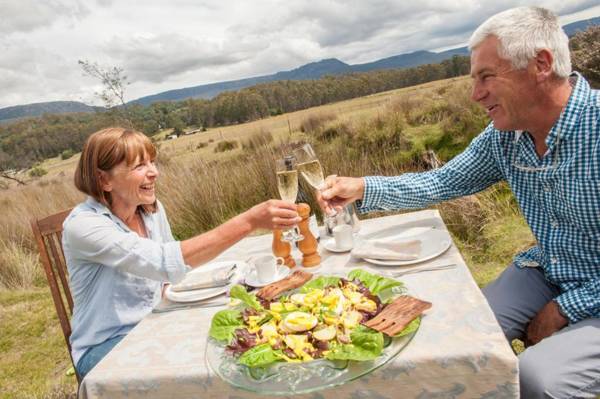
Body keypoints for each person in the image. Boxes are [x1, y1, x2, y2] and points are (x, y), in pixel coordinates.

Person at [318, 7, 599, 398]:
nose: (475, 94)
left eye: (486, 77)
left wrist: (565, 308)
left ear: (541, 64)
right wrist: (363, 187)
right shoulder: (506, 136)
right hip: (550, 267)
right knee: (462, 341)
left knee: (539, 378)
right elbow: (442, 180)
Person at [63, 127, 300, 378]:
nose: (154, 172)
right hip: (107, 346)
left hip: (156, 323)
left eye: (152, 162)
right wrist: (249, 221)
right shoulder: (83, 226)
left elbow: (168, 278)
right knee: (204, 369)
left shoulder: (151, 210)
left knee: (243, 344)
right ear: (104, 180)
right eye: (139, 166)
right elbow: (164, 263)